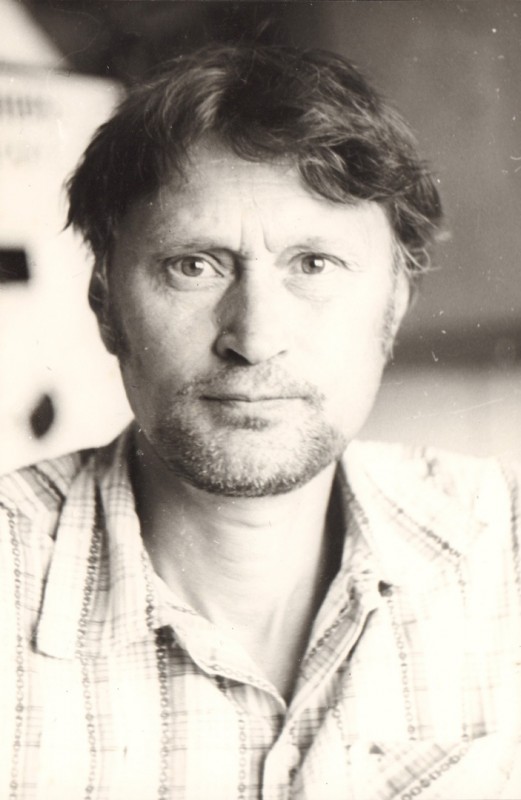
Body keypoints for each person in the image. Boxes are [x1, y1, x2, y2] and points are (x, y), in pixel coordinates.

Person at [1, 43, 520, 800]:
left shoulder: (508, 550)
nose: (253, 336)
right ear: (106, 305)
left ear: (395, 304)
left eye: (313, 264)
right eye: (194, 265)